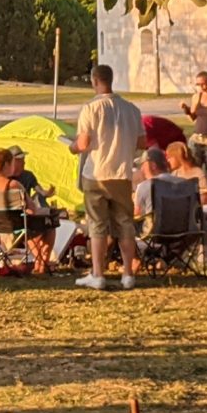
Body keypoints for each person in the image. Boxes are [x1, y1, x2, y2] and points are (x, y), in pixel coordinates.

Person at [71, 62, 144, 290]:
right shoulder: (131, 109)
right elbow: (142, 142)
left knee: (97, 224)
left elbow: (83, 143)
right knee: (125, 223)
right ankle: (128, 274)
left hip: (96, 173)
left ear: (94, 81)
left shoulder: (91, 108)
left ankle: (98, 273)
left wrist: (72, 147)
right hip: (122, 173)